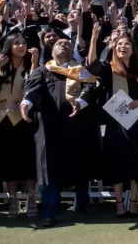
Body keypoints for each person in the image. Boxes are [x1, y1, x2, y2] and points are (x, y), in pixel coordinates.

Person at [20, 31, 100, 226]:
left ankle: (83, 203)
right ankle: (49, 210)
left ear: (73, 51)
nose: (63, 45)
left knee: (80, 163)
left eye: (66, 43)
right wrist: (26, 104)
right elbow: (32, 90)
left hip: (78, 124)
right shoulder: (43, 70)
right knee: (49, 168)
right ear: (51, 50)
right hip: (49, 127)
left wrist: (80, 102)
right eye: (58, 43)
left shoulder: (81, 70)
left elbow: (92, 88)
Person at [90, 33, 138, 218]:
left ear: (133, 50)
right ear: (114, 49)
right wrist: (94, 38)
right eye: (119, 44)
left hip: (136, 124)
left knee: (136, 162)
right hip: (115, 124)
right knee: (116, 163)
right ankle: (119, 204)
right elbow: (92, 66)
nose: (123, 46)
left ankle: (134, 203)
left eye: (127, 44)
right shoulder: (109, 70)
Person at [0, 31, 39, 217]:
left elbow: (36, 86)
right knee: (8, 161)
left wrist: (35, 63)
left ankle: (32, 198)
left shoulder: (31, 64)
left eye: (23, 43)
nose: (21, 46)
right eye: (16, 43)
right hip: (2, 118)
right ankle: (13, 200)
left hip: (26, 119)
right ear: (9, 46)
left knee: (28, 159)